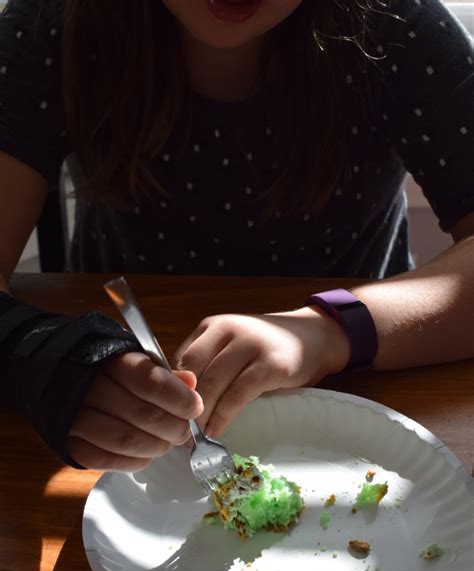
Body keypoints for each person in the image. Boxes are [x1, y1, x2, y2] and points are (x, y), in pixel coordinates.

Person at [0, 0, 472, 473]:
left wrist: (329, 330)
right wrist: (45, 358)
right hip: (118, 433)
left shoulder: (396, 23)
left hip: (369, 401)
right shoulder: (58, 20)